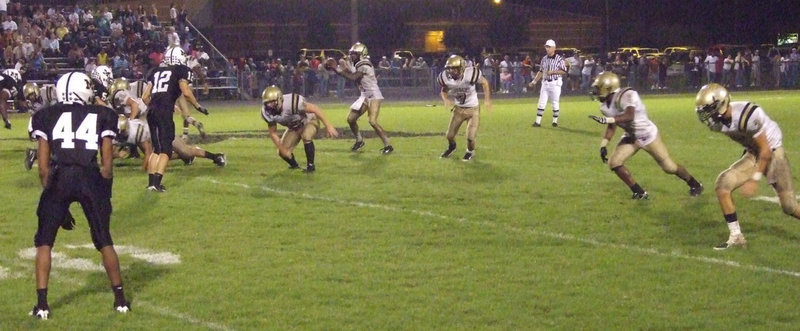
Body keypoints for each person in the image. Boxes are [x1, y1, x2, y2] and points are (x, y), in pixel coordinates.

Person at [28, 72, 130, 320]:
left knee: (44, 242)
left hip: (59, 177)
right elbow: (107, 163)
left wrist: (56, 201)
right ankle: (120, 300)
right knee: (104, 240)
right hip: (89, 176)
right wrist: (103, 192)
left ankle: (42, 305)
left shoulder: (45, 115)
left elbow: (42, 167)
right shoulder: (102, 114)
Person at [694, 83, 800, 249]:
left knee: (789, 206)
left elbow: (765, 150)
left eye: (708, 109)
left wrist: (754, 179)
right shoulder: (717, 124)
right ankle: (736, 236)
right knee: (723, 184)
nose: (706, 115)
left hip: (772, 151)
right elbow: (755, 148)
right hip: (754, 152)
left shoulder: (747, 115)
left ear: (721, 104)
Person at [588, 71, 704, 200]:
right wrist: (604, 144)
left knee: (669, 167)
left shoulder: (627, 95)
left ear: (609, 88)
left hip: (648, 135)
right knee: (614, 162)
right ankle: (639, 192)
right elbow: (612, 124)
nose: (595, 92)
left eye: (598, 88)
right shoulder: (604, 106)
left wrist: (607, 120)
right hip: (631, 136)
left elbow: (629, 116)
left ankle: (694, 184)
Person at [141, 46, 207, 192]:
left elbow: (144, 97)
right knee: (166, 150)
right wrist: (197, 106)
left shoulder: (155, 71)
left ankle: (151, 183)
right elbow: (186, 91)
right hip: (163, 112)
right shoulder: (180, 70)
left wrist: (155, 106)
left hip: (151, 111)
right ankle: (157, 183)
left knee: (156, 150)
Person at [331, 42, 393, 154]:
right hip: (365, 95)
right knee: (351, 119)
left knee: (372, 121)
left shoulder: (364, 64)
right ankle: (359, 140)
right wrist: (338, 69)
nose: (352, 56)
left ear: (361, 54)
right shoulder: (358, 64)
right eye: (352, 53)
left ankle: (388, 145)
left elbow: (353, 77)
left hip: (374, 95)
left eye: (355, 54)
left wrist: (338, 70)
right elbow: (351, 73)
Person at [260, 86, 338, 172]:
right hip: (294, 127)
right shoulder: (266, 112)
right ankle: (294, 166)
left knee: (306, 135)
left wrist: (328, 125)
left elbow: (315, 109)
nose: (270, 106)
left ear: (279, 99)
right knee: (282, 152)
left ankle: (310, 166)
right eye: (267, 103)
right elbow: (273, 132)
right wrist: (282, 149)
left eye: (272, 102)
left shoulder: (292, 102)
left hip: (308, 120)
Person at [437, 55, 492, 161]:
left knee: (470, 137)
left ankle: (470, 151)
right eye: (450, 68)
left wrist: (487, 100)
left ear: (461, 68)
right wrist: (446, 99)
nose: (451, 71)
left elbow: (485, 83)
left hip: (473, 110)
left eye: (454, 68)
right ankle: (452, 147)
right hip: (458, 110)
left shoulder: (470, 74)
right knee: (449, 135)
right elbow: (444, 90)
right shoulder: (446, 78)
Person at [529, 39, 566, 127]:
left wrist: (553, 72)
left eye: (549, 47)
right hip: (545, 83)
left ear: (554, 48)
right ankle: (537, 122)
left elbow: (564, 71)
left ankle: (555, 121)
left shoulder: (559, 59)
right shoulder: (544, 59)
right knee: (541, 102)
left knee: (555, 102)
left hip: (555, 82)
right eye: (546, 47)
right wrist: (534, 81)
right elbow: (541, 71)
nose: (547, 49)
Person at [23, 82, 58, 170]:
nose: (31, 98)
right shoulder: (31, 104)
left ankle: (35, 153)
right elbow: (35, 117)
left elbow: (59, 104)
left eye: (32, 94)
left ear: (36, 90)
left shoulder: (48, 92)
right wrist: (32, 131)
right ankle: (36, 154)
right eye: (29, 96)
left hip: (57, 117)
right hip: (49, 122)